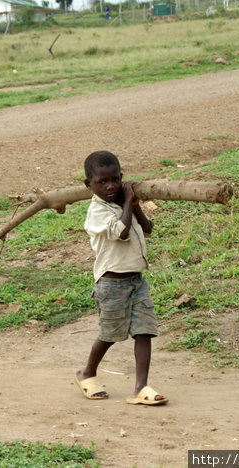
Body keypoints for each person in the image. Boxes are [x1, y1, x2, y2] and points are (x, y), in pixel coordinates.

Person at [75, 150, 167, 405]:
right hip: (110, 283)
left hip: (136, 281)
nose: (110, 186)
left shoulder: (123, 203)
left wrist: (135, 206)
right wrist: (127, 202)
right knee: (109, 334)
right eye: (101, 182)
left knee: (144, 331)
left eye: (115, 179)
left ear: (121, 178)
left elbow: (146, 229)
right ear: (88, 185)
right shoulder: (97, 212)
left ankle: (140, 387)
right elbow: (122, 233)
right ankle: (87, 373)